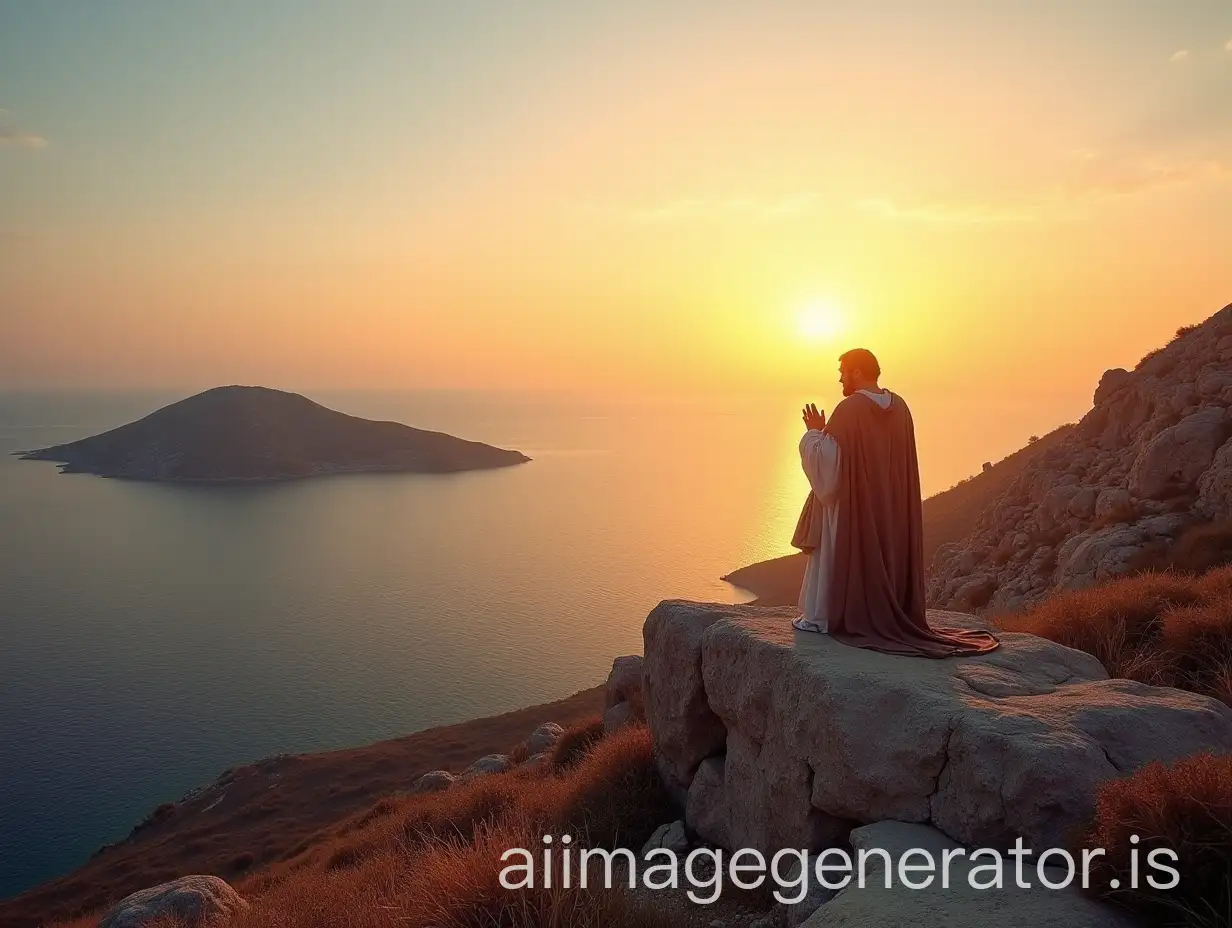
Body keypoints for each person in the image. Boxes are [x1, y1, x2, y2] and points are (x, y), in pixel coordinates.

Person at [791, 348, 998, 657]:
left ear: (858, 373)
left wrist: (813, 434)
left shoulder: (850, 409)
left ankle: (829, 618)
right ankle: (891, 612)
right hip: (892, 509)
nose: (840, 379)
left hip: (857, 510)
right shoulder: (900, 407)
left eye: (843, 372)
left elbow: (829, 473)